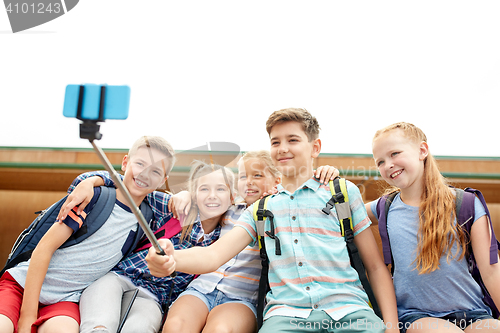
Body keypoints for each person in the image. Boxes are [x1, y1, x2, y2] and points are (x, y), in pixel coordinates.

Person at [147, 108, 399, 333]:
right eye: (275, 142)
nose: (283, 148)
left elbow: (376, 267)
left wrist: (391, 328)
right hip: (287, 318)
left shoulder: (342, 193)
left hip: (350, 313)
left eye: (293, 140)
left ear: (315, 147)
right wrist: (171, 258)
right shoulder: (261, 209)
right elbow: (213, 256)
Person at [0, 135, 176, 333]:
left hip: (66, 299)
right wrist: (28, 315)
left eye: (155, 171)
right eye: (140, 163)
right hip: (22, 286)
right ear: (125, 163)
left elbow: (181, 202)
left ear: (163, 180)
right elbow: (44, 248)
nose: (145, 174)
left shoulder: (148, 217)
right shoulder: (94, 197)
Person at [163, 150, 339, 333]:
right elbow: (207, 196)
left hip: (241, 298)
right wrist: (185, 194)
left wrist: (324, 172)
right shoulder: (230, 207)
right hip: (202, 288)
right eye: (243, 176)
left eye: (257, 175)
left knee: (220, 330)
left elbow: (302, 193)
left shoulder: (281, 210)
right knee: (176, 326)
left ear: (277, 180)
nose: (249, 181)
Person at [64, 160, 239, 333]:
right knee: (100, 326)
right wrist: (90, 181)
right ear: (194, 194)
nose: (212, 195)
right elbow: (131, 187)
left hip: (153, 298)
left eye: (221, 189)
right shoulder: (174, 209)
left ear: (232, 197)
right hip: (118, 278)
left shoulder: (225, 239)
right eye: (204, 189)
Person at [366, 122, 500, 332]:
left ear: (422, 150)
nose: (388, 164)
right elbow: (343, 208)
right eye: (380, 161)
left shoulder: (466, 204)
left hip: (474, 313)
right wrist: (326, 176)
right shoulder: (385, 207)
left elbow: (491, 272)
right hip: (416, 316)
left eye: (395, 153)